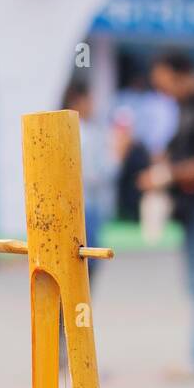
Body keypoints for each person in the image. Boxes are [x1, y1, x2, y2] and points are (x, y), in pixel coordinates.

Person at [142, 51, 194, 378]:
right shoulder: (185, 109)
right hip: (189, 211)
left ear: (182, 75)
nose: (164, 92)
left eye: (166, 84)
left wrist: (165, 175)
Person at [62, 82, 116, 281]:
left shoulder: (64, 130)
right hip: (86, 205)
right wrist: (119, 155)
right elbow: (96, 174)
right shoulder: (85, 134)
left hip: (69, 206)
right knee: (84, 265)